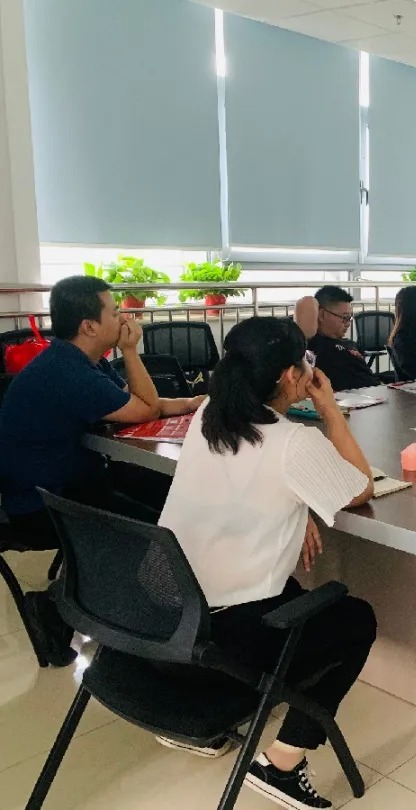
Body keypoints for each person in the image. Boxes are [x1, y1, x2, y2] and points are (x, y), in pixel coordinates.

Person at [157, 317, 376, 809]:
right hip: (209, 652)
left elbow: (239, 484)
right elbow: (360, 488)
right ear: (291, 376)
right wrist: (330, 411)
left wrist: (299, 506)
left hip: (155, 629)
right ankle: (281, 764)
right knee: (354, 619)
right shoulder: (293, 442)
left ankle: (201, 726)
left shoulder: (211, 412)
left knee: (294, 597)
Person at [0, 275, 203, 666]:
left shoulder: (79, 361)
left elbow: (140, 402)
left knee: (165, 493)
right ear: (89, 326)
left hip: (70, 483)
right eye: (114, 311)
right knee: (158, 532)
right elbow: (144, 408)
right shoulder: (68, 373)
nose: (124, 317)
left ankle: (96, 600)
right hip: (42, 505)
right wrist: (131, 350)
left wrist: (193, 402)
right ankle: (64, 608)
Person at [305, 286, 379, 391]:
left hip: (373, 391)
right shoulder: (315, 349)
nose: (348, 323)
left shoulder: (349, 344)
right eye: (344, 317)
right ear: (322, 315)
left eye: (349, 318)